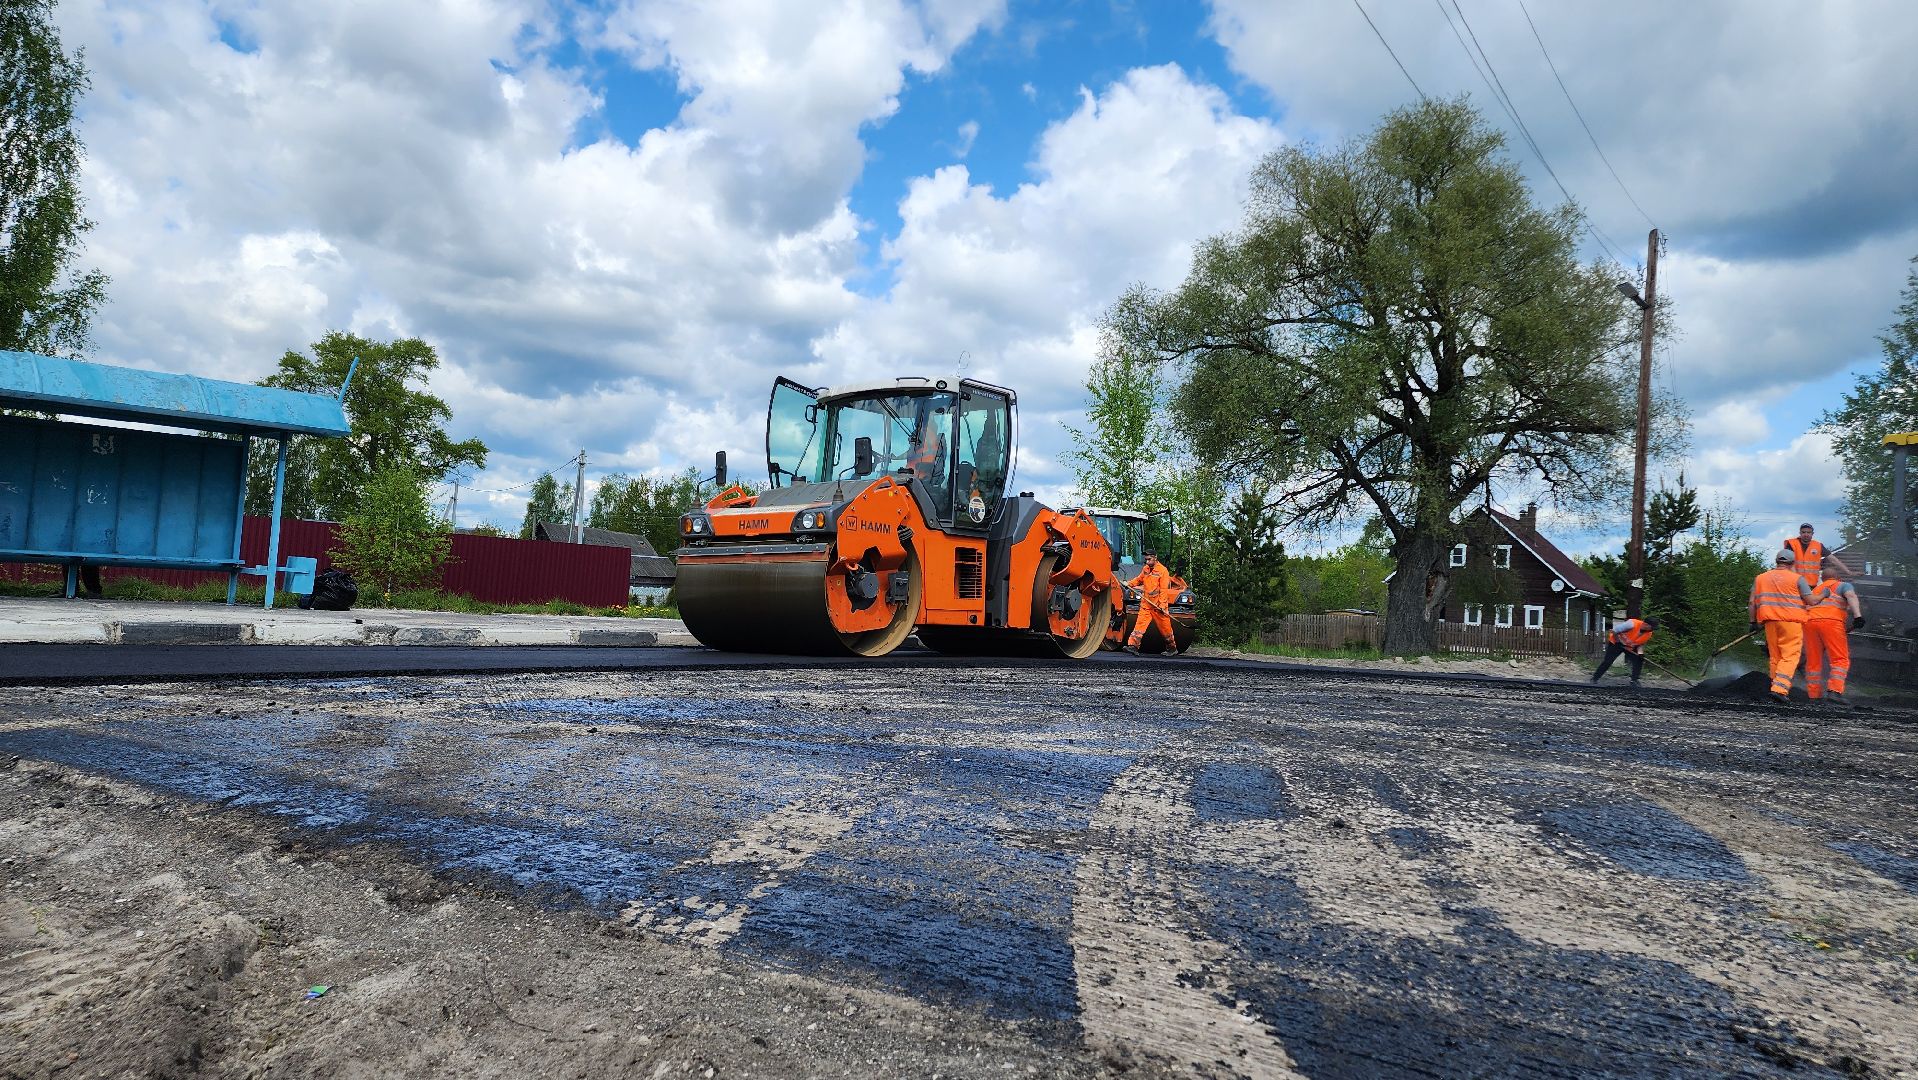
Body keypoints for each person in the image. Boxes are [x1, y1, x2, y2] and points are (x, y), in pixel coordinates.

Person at [1750, 549, 1810, 701]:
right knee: (1790, 656)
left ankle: (1773, 685)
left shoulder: (1760, 578)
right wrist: (1825, 594)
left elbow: (1752, 602)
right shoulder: (1798, 579)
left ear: (1777, 561)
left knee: (1775, 656)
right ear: (1792, 563)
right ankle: (1780, 689)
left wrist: (1753, 623)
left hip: (1770, 623)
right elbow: (1812, 601)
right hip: (1791, 623)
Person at [1799, 565, 1864, 704]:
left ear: (1823, 578)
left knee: (1813, 660)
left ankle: (1814, 695)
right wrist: (1858, 616)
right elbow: (1851, 596)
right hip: (1831, 623)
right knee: (1840, 659)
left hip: (1809, 624)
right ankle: (1834, 691)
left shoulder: (1815, 590)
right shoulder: (1843, 585)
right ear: (1838, 577)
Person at [1123, 551, 1182, 655]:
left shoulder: (1163, 571)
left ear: (1155, 558)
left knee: (1165, 628)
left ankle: (1172, 648)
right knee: (1139, 626)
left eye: (1149, 559)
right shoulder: (1145, 569)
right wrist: (1129, 583)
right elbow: (1139, 580)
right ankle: (1133, 646)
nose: (1147, 561)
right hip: (1146, 603)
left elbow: (1164, 589)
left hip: (1158, 605)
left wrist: (1163, 605)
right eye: (1146, 559)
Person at [1589, 616, 1659, 687]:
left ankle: (1634, 680)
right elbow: (1614, 631)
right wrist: (1618, 641)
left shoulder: (1649, 633)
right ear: (1646, 624)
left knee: (1638, 661)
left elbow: (1640, 644)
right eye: (1652, 627)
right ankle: (1595, 678)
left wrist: (1640, 653)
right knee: (1608, 661)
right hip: (1616, 644)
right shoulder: (1632, 624)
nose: (1652, 629)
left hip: (1629, 647)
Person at [1782, 523, 1852, 587]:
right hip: (1795, 583)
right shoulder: (1792, 544)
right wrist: (1796, 580)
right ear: (1800, 533)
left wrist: (1848, 572)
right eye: (1803, 532)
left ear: (1812, 533)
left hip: (1812, 584)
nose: (1806, 534)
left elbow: (1833, 560)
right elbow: (1788, 562)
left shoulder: (1818, 545)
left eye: (1808, 532)